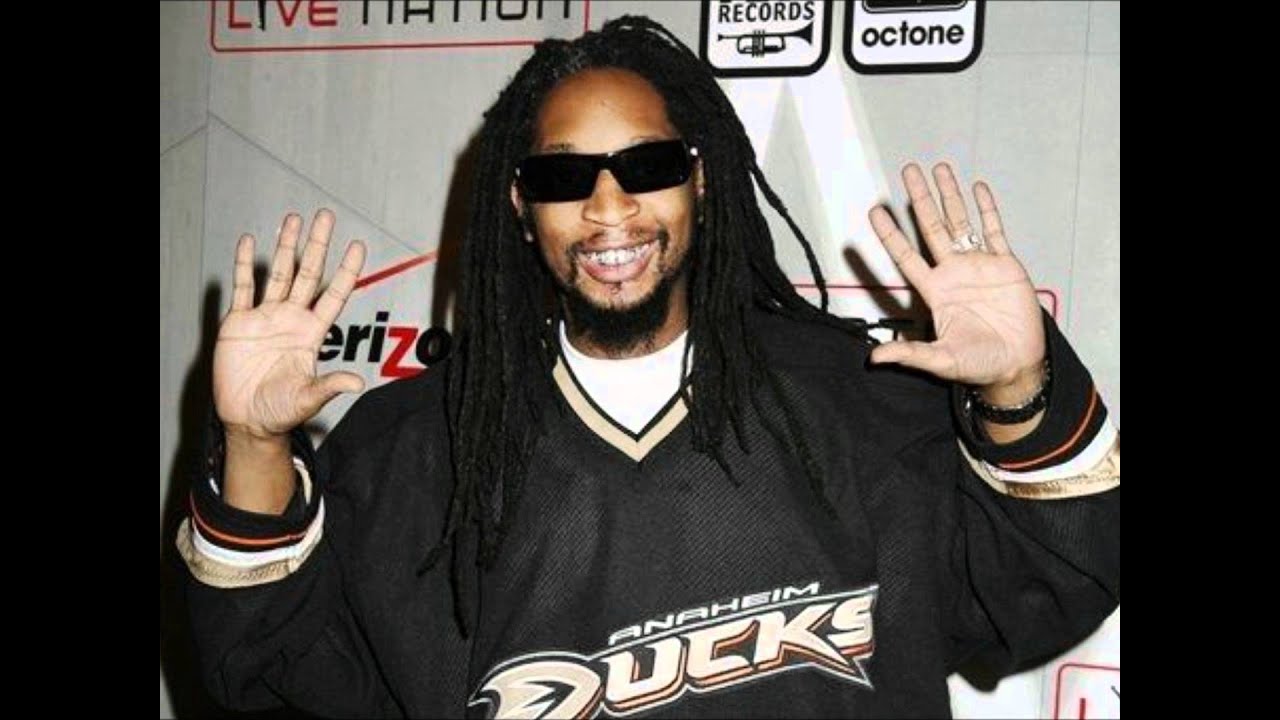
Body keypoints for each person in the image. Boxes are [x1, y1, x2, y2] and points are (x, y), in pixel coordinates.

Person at [177, 15, 1119, 719]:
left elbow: (1046, 588)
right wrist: (254, 443)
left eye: (647, 165)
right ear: (519, 206)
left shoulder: (860, 401)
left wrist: (1016, 388)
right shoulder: (418, 455)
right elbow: (268, 674)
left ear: (700, 177)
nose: (608, 207)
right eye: (563, 177)